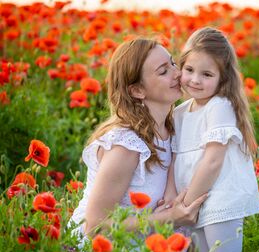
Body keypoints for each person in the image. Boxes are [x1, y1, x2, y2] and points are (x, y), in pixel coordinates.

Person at [69, 37, 207, 239]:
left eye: (173, 63)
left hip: (146, 250)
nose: (178, 73)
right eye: (163, 71)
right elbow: (94, 226)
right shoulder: (126, 145)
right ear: (137, 90)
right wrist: (170, 217)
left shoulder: (175, 127)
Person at [164, 27, 259, 252]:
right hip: (193, 202)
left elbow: (213, 160)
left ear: (222, 79)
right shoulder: (182, 111)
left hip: (218, 200)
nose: (195, 80)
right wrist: (173, 197)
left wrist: (187, 203)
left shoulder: (219, 106)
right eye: (190, 69)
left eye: (207, 74)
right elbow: (174, 158)